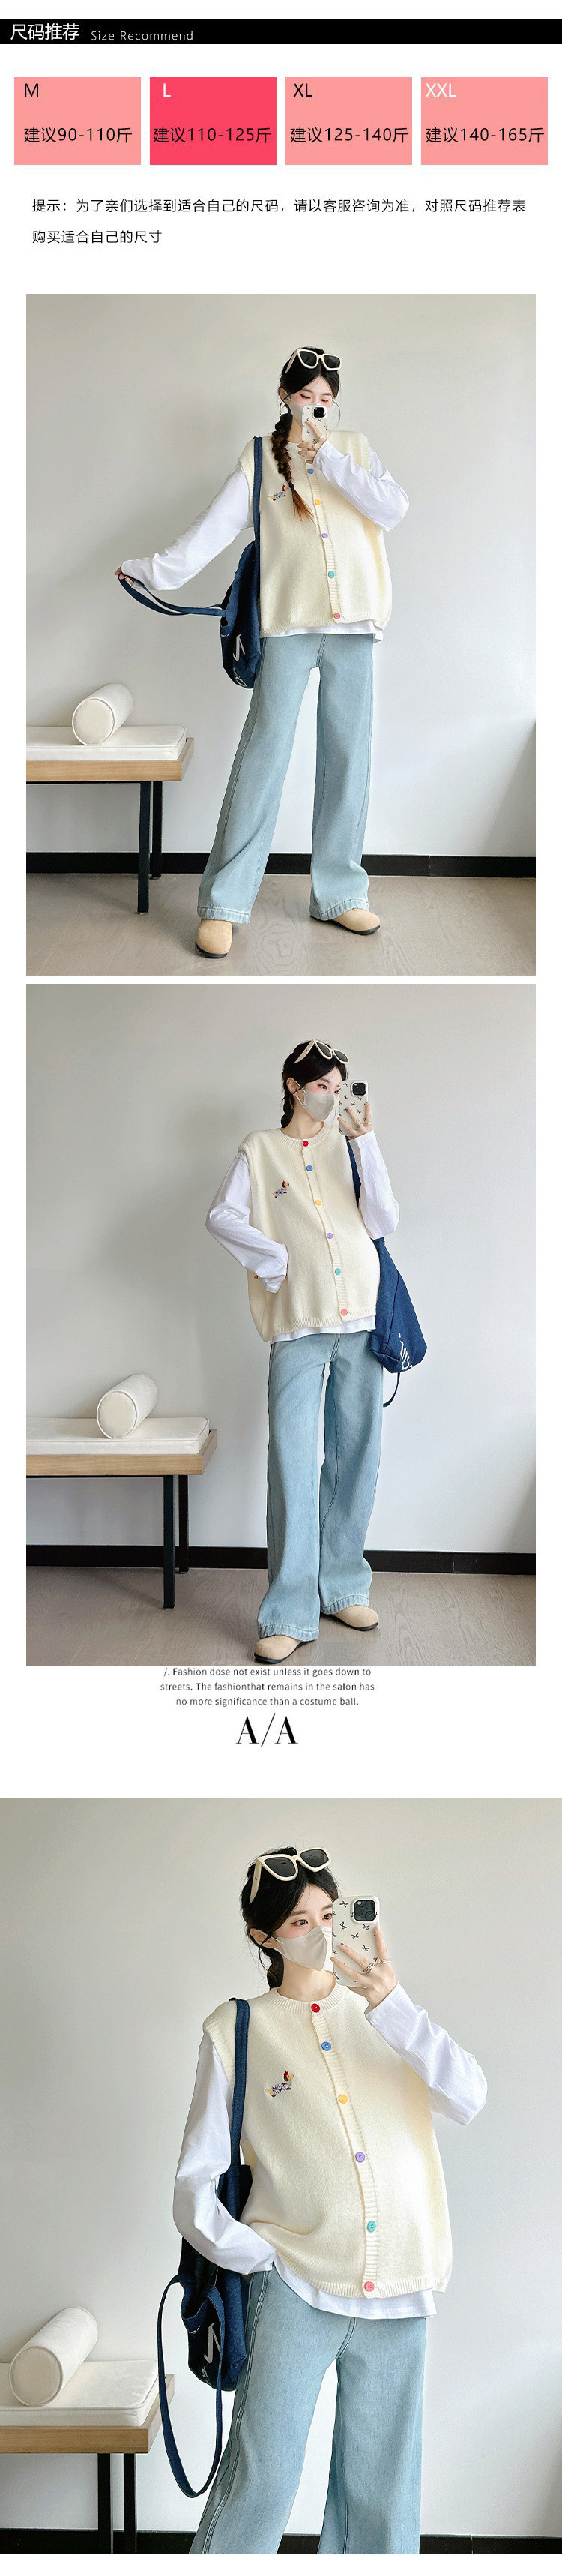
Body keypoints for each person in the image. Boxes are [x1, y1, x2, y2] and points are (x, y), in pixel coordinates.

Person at [174, 1843, 487, 2554]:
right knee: (261, 2481)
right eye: (298, 1921)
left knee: (382, 2495)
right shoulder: (235, 2030)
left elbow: (469, 2097)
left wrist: (393, 2005)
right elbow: (194, 2181)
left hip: (400, 2286)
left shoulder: (388, 2017)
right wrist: (262, 2256)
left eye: (328, 1913)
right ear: (263, 1936)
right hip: (294, 2289)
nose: (320, 1931)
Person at [117, 344, 408, 957]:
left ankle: (340, 894)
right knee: (263, 757)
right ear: (284, 395)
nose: (316, 407)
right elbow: (209, 535)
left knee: (348, 759)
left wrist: (329, 459)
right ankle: (224, 902)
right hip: (288, 627)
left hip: (356, 627)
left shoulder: (354, 450)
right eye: (306, 396)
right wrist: (150, 571)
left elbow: (392, 509)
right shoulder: (258, 459)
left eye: (325, 399)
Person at [206, 1038, 399, 1663]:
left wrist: (367, 1144)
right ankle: (288, 1611)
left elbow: (384, 1221)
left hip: (363, 1315)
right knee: (292, 1462)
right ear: (294, 1085)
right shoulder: (260, 1149)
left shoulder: (350, 1145)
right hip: (296, 1325)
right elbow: (222, 1216)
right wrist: (277, 1261)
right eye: (322, 1085)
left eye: (339, 1086)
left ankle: (341, 1587)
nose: (332, 1096)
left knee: (356, 1455)